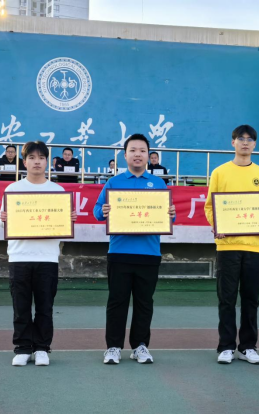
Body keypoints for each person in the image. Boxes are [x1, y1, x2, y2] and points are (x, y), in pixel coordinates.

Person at [93, 134, 176, 365]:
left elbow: (169, 216)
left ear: (148, 155)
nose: (137, 154)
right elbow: (97, 211)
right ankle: (113, 347)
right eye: (133, 150)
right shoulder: (114, 182)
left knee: (144, 303)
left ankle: (140, 346)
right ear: (125, 155)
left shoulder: (159, 183)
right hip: (119, 252)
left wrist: (171, 214)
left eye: (142, 150)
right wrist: (104, 211)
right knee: (117, 302)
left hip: (149, 253)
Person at [0, 141, 77, 367]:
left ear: (47, 162)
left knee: (45, 307)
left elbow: (63, 225)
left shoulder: (58, 191)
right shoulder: (13, 189)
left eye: (41, 158)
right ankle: (23, 348)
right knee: (21, 307)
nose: (36, 162)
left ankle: (42, 348)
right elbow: (2, 220)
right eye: (32, 158)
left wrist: (68, 220)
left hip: (47, 257)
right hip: (19, 257)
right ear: (24, 162)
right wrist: (2, 218)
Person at [204, 125, 259, 365]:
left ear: (255, 144)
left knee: (251, 299)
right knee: (227, 298)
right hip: (227, 245)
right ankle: (226, 347)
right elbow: (209, 207)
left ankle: (248, 347)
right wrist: (218, 224)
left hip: (254, 246)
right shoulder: (220, 172)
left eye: (250, 139)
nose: (245, 142)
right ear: (232, 142)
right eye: (240, 138)